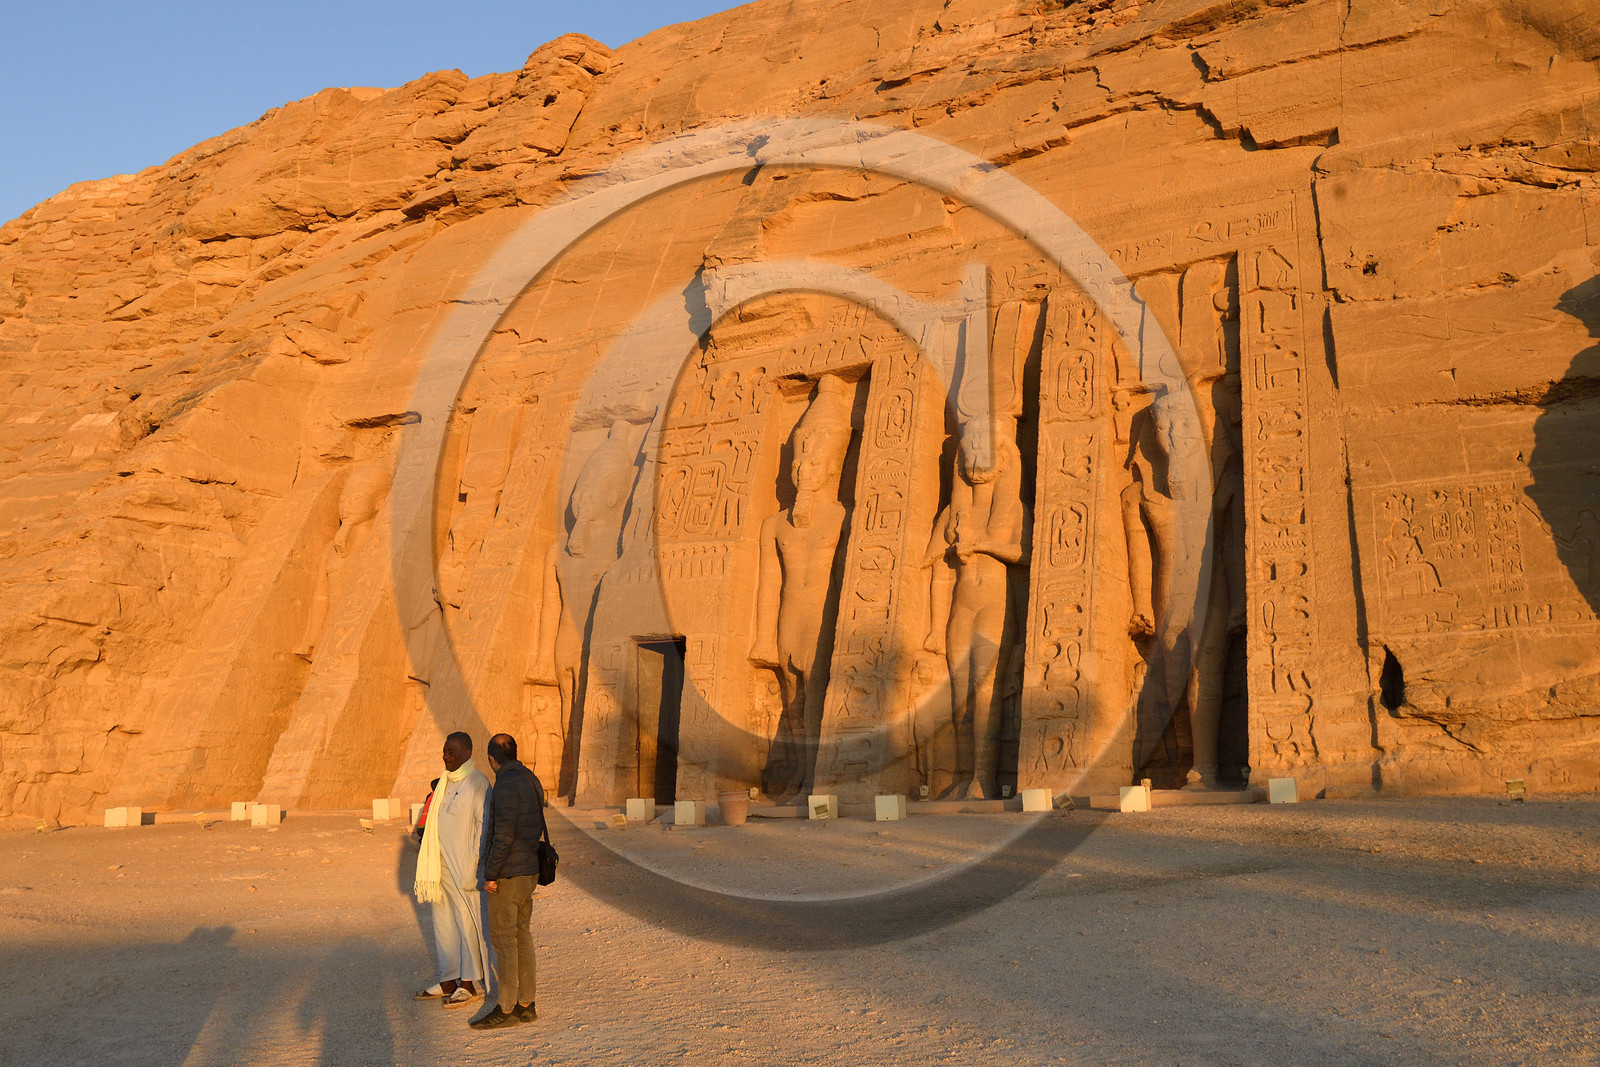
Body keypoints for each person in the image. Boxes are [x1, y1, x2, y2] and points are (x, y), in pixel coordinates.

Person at [471, 732, 547, 1029]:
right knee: (522, 936)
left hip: (509, 873)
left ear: (492, 758)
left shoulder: (504, 784)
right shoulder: (530, 778)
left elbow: (503, 834)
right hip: (529, 869)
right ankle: (527, 1004)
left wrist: (491, 874)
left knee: (503, 941)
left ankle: (505, 1009)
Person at [412, 732, 490, 1009]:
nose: (446, 756)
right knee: (443, 922)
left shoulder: (477, 783)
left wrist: (474, 864)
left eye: (452, 752)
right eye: (445, 751)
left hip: (464, 865)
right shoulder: (444, 782)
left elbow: (483, 825)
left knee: (467, 922)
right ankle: (449, 978)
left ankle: (469, 983)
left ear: (468, 753)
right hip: (440, 865)